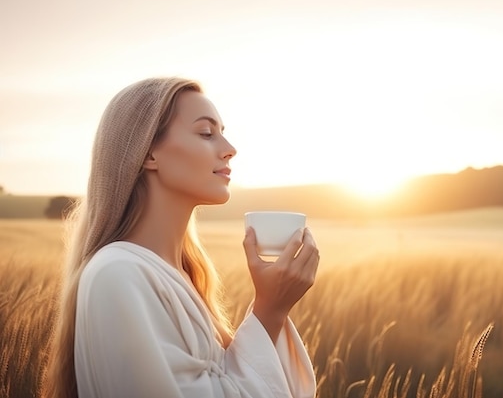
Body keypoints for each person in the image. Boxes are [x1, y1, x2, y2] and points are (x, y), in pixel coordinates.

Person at [42, 77, 319, 398]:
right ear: (148, 154)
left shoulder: (181, 276)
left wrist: (274, 308)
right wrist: (269, 310)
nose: (229, 150)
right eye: (206, 133)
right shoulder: (118, 273)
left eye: (223, 134)